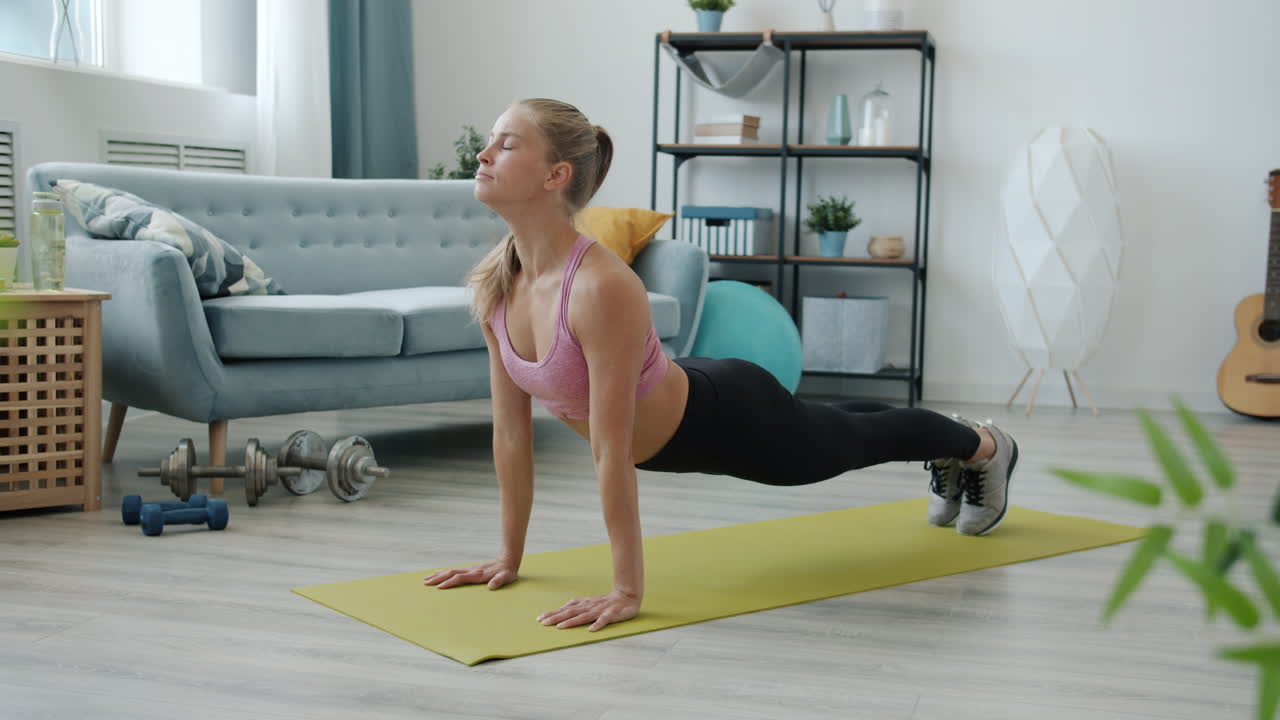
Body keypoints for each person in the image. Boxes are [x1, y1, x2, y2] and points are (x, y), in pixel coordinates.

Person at [423, 98, 1018, 633]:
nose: (483, 151)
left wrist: (627, 590)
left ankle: (983, 446)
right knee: (838, 420)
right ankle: (959, 443)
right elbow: (510, 433)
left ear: (556, 175)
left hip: (729, 419)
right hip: (695, 395)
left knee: (853, 437)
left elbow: (610, 449)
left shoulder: (600, 287)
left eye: (507, 142)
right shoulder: (497, 282)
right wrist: (508, 557)